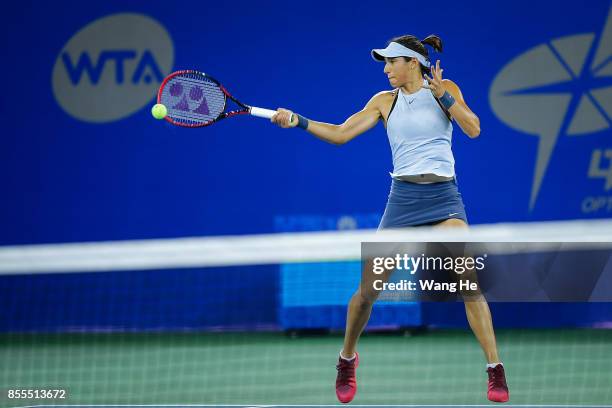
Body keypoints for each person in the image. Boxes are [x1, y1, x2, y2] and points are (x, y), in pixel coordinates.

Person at [270, 34, 509, 404]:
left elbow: (474, 128)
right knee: (368, 293)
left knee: (468, 282)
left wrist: (444, 94)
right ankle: (346, 358)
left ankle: (495, 369)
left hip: (444, 197)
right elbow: (341, 134)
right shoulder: (384, 102)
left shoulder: (445, 90)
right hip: (403, 201)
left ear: (413, 62)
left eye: (391, 62)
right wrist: (297, 121)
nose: (385, 69)